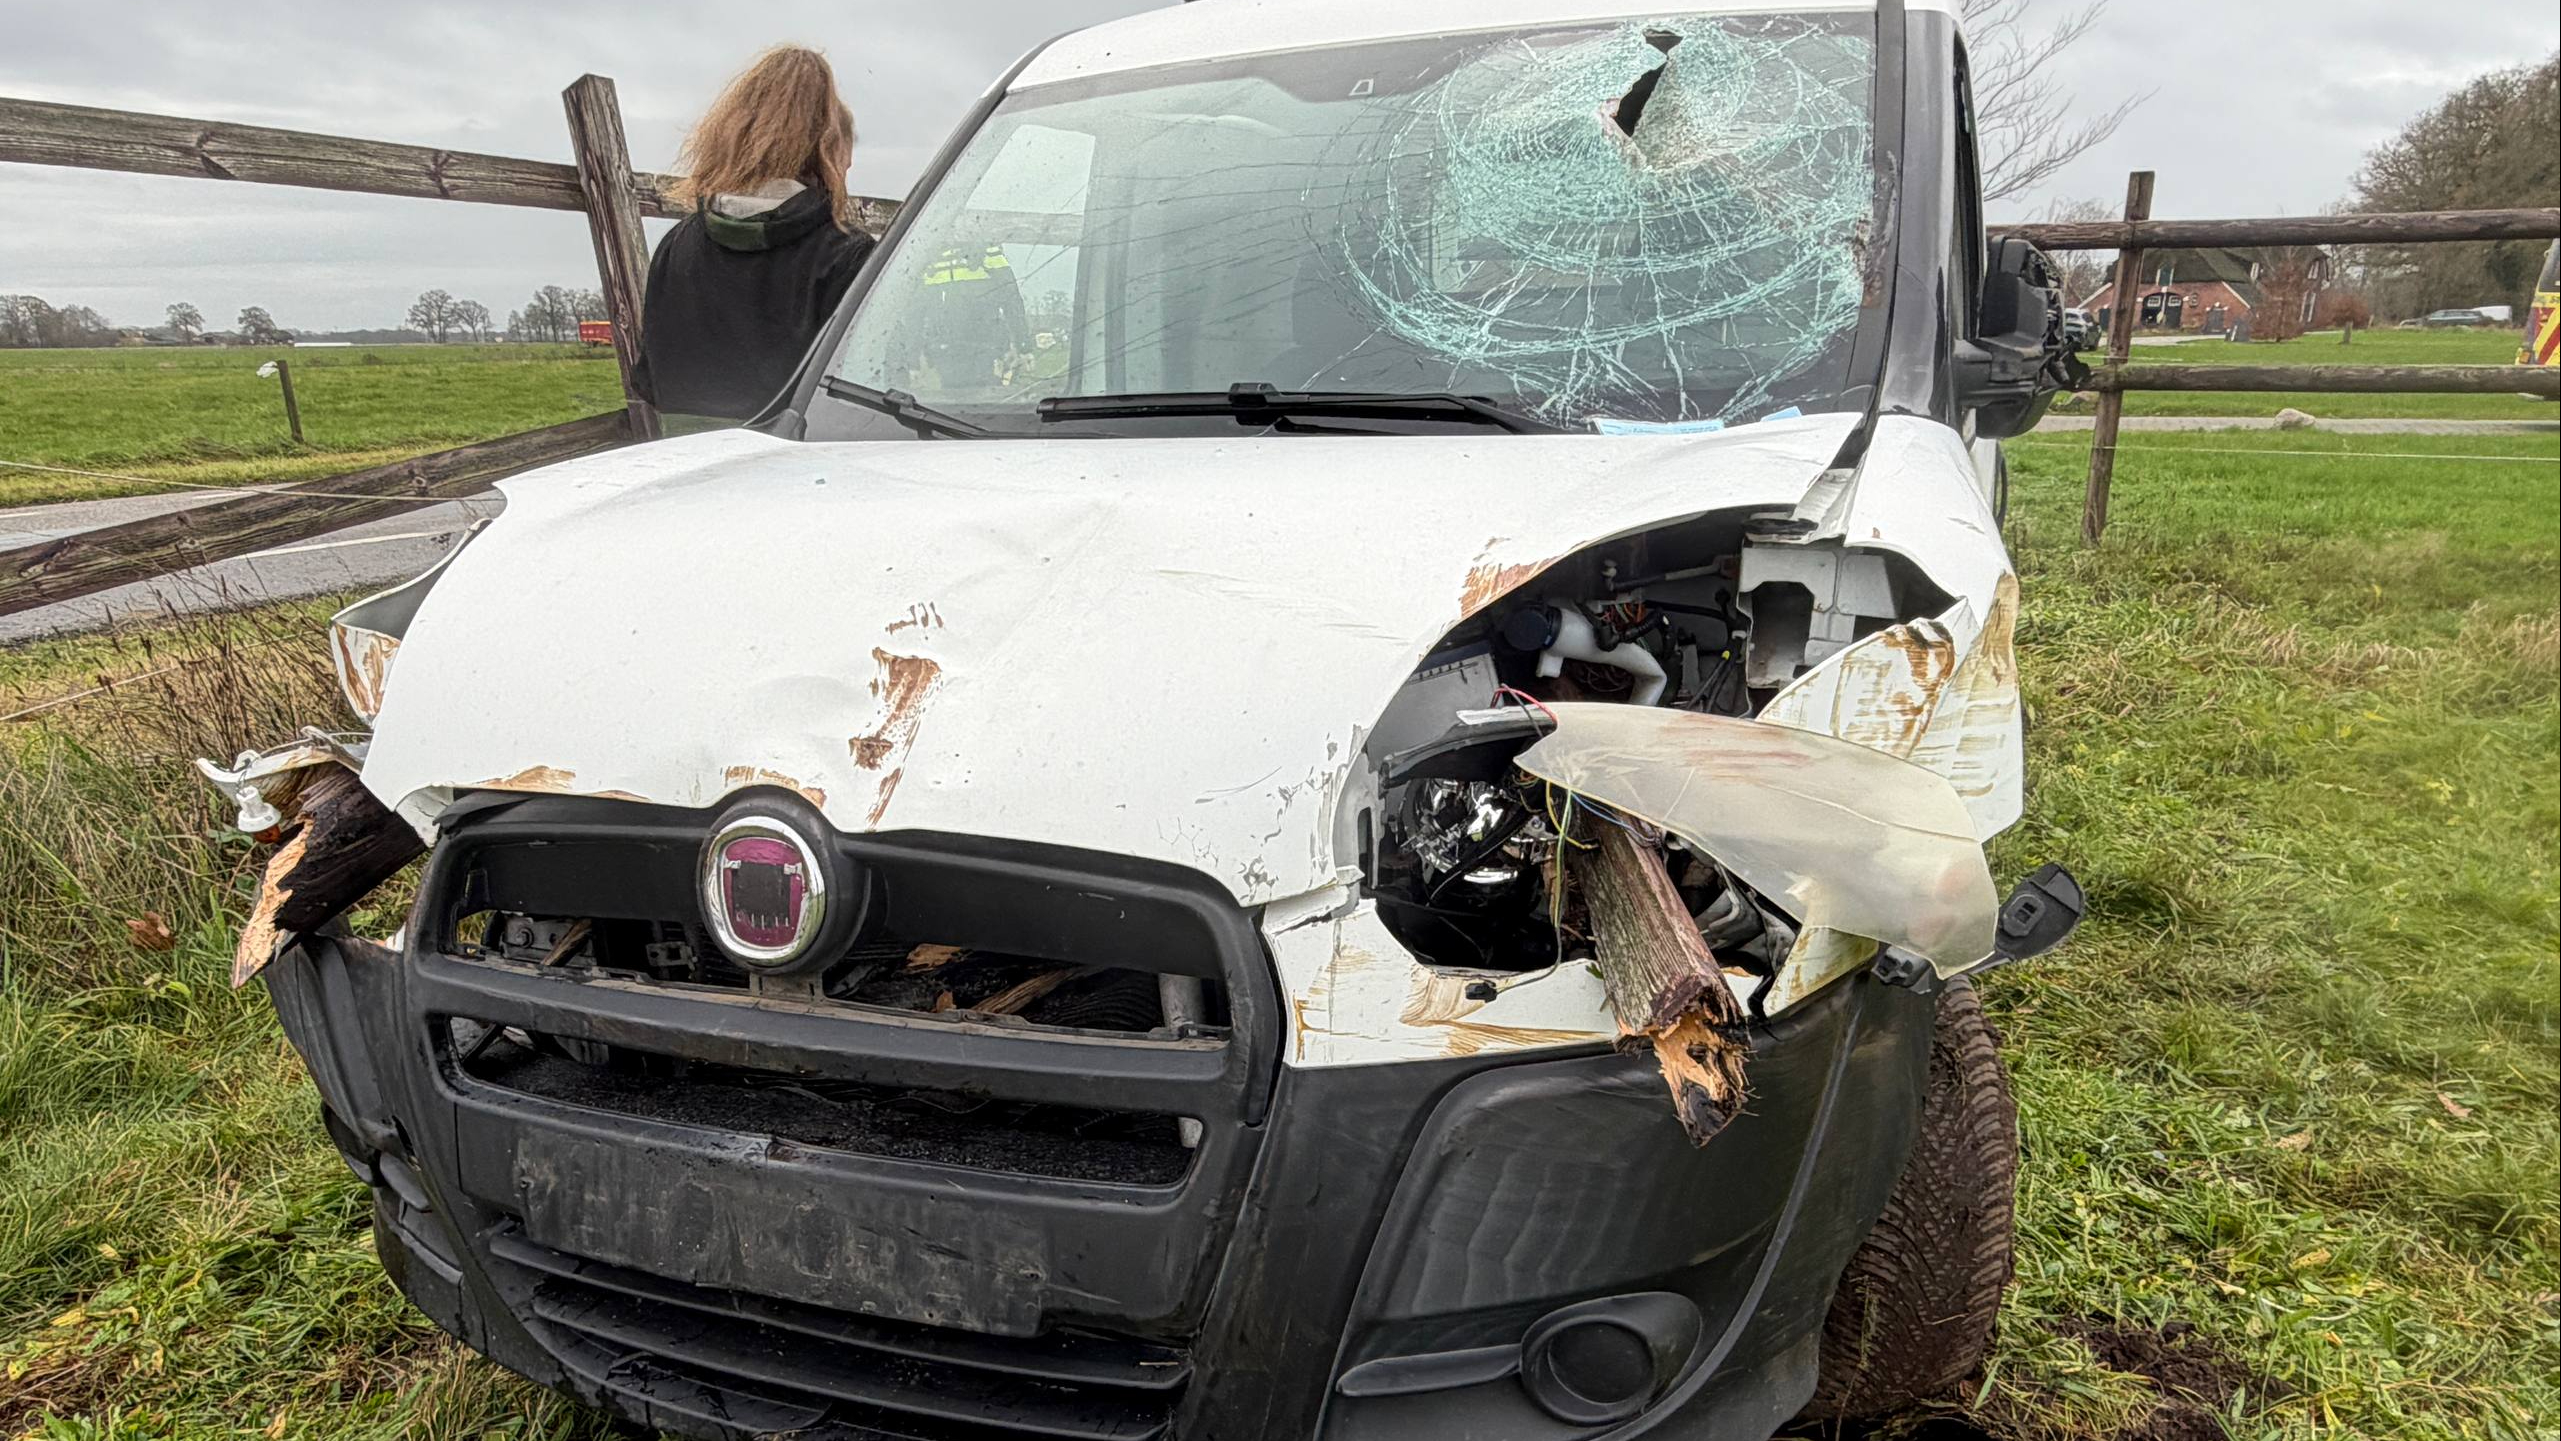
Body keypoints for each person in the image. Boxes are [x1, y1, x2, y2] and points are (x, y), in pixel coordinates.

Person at [631, 45, 874, 423]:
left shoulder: (674, 246)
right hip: (799, 471)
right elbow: (863, 397)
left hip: (686, 468)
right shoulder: (846, 255)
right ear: (825, 150)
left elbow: (647, 382)